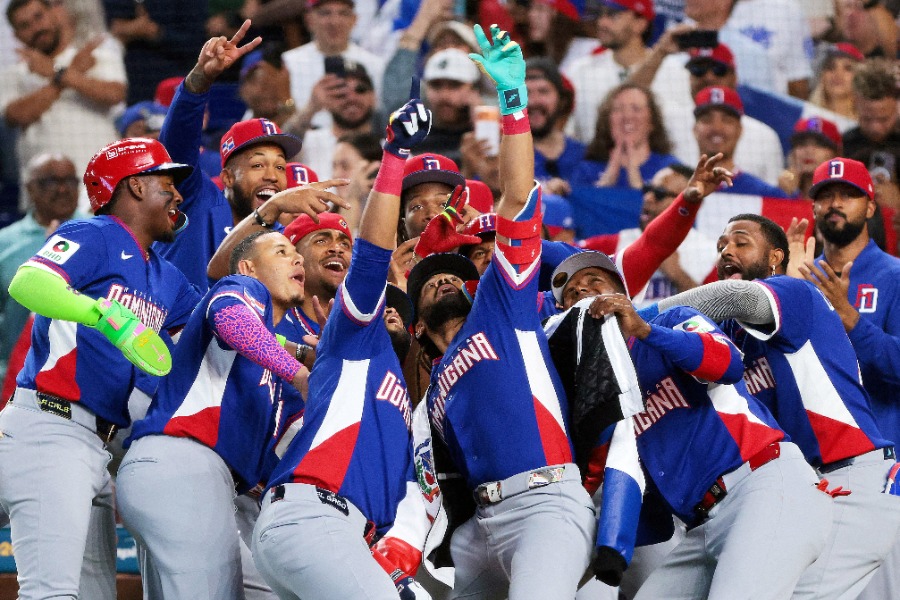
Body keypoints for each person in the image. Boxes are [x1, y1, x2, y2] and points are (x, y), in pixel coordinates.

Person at [408, 24, 597, 598]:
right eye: (430, 282)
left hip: (545, 504)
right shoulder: (431, 382)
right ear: (416, 324)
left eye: (454, 275)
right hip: (475, 528)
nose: (445, 283)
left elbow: (516, 198)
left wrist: (512, 101)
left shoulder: (503, 308)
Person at [548, 249, 833, 600]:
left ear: (622, 295)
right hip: (702, 524)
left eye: (596, 283)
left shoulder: (672, 321)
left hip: (762, 485)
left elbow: (728, 364)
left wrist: (647, 330)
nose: (585, 294)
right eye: (573, 294)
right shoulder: (591, 397)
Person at [653, 211, 900, 599]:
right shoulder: (726, 337)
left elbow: (732, 296)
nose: (726, 251)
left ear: (775, 258)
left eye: (740, 241)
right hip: (797, 488)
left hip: (851, 480)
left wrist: (637, 318)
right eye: (721, 245)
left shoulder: (795, 294)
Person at [0, 137, 199, 600]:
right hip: (48, 430)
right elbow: (27, 282)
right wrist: (103, 314)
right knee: (52, 595)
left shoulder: (164, 275)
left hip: (98, 447)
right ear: (133, 186)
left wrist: (298, 348)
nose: (178, 195)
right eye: (166, 183)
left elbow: (218, 320)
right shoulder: (95, 234)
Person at [252, 83, 430, 600]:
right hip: (312, 516)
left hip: (337, 531)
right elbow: (373, 256)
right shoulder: (354, 340)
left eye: (401, 314)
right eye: (322, 241)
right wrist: (395, 155)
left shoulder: (399, 386)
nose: (389, 316)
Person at [116, 227, 313, 598]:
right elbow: (229, 319)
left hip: (182, 478)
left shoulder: (269, 373)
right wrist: (299, 370)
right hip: (181, 464)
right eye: (282, 252)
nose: (297, 257)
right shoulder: (242, 288)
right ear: (249, 267)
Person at [1, 0, 126, 208]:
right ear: (16, 35)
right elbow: (17, 115)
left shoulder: (95, 54)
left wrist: (56, 72)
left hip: (101, 186)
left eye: (38, 17)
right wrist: (65, 76)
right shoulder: (11, 75)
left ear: (54, 13)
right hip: (44, 198)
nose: (36, 28)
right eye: (25, 25)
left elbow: (114, 94)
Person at [578, 164, 718, 306]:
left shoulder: (709, 252)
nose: (648, 197)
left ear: (691, 201)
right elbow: (564, 256)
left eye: (660, 193)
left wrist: (679, 276)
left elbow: (716, 314)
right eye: (647, 190)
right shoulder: (618, 243)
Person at [0, 153, 83, 381]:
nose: (63, 190)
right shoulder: (4, 242)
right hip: (14, 377)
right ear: (29, 188)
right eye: (50, 181)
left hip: (82, 380)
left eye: (69, 181)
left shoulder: (102, 235)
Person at [281, 0, 385, 132]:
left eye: (343, 13)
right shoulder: (288, 64)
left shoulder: (375, 65)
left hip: (360, 147)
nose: (334, 22)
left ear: (354, 20)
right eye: (325, 13)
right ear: (309, 20)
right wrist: (311, 108)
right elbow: (274, 125)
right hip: (304, 147)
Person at [569, 83, 677, 190]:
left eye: (636, 109)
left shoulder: (671, 170)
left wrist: (635, 181)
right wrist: (606, 181)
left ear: (652, 122)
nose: (627, 116)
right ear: (607, 121)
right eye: (618, 109)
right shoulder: (586, 171)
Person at [691, 86, 788, 197]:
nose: (717, 128)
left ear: (740, 130)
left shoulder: (767, 195)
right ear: (695, 129)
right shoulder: (677, 188)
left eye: (727, 120)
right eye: (707, 120)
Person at [104, 0, 205, 104]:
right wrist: (126, 30)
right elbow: (105, 28)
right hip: (123, 81)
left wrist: (157, 33)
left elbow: (195, 44)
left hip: (169, 84)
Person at [296, 61, 379, 181]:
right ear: (326, 100)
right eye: (341, 92)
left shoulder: (392, 150)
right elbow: (280, 144)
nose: (351, 97)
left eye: (360, 89)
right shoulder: (307, 142)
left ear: (374, 97)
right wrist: (311, 108)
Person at [726, 0, 815, 98]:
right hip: (713, 107)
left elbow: (798, 78)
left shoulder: (787, 9)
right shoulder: (709, 7)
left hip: (768, 108)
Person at [525, 57, 585, 192]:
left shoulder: (584, 155)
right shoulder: (503, 158)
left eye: (543, 92)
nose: (533, 101)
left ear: (562, 100)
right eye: (525, 93)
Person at [418, 48, 481, 164]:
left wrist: (481, 127)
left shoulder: (494, 136)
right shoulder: (413, 139)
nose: (444, 95)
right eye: (436, 85)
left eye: (454, 86)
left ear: (474, 90)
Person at [778, 117, 842, 199]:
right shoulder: (781, 191)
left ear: (836, 154)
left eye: (819, 144)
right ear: (793, 154)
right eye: (802, 144)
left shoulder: (846, 197)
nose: (809, 151)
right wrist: (784, 193)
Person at [808, 42, 865, 120]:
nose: (838, 75)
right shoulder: (807, 118)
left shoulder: (867, 124)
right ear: (822, 76)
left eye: (848, 68)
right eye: (831, 67)